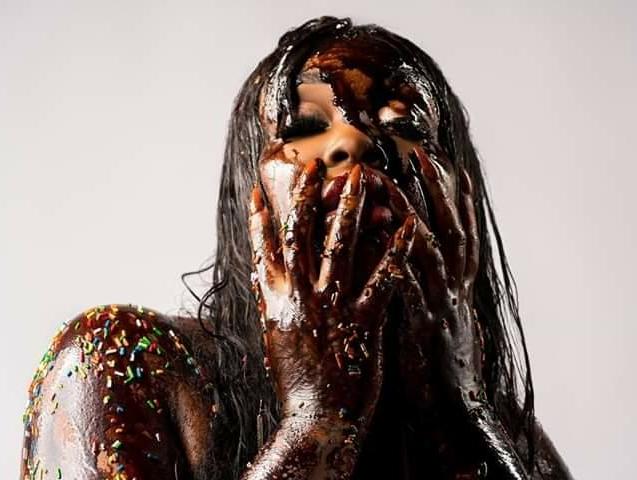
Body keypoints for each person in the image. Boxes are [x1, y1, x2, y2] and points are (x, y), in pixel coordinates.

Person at [20, 16, 574, 480]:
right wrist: (317, 420)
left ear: (461, 202)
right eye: (307, 125)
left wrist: (460, 413)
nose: (358, 145)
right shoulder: (117, 367)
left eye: (406, 126)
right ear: (250, 188)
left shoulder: (506, 436)